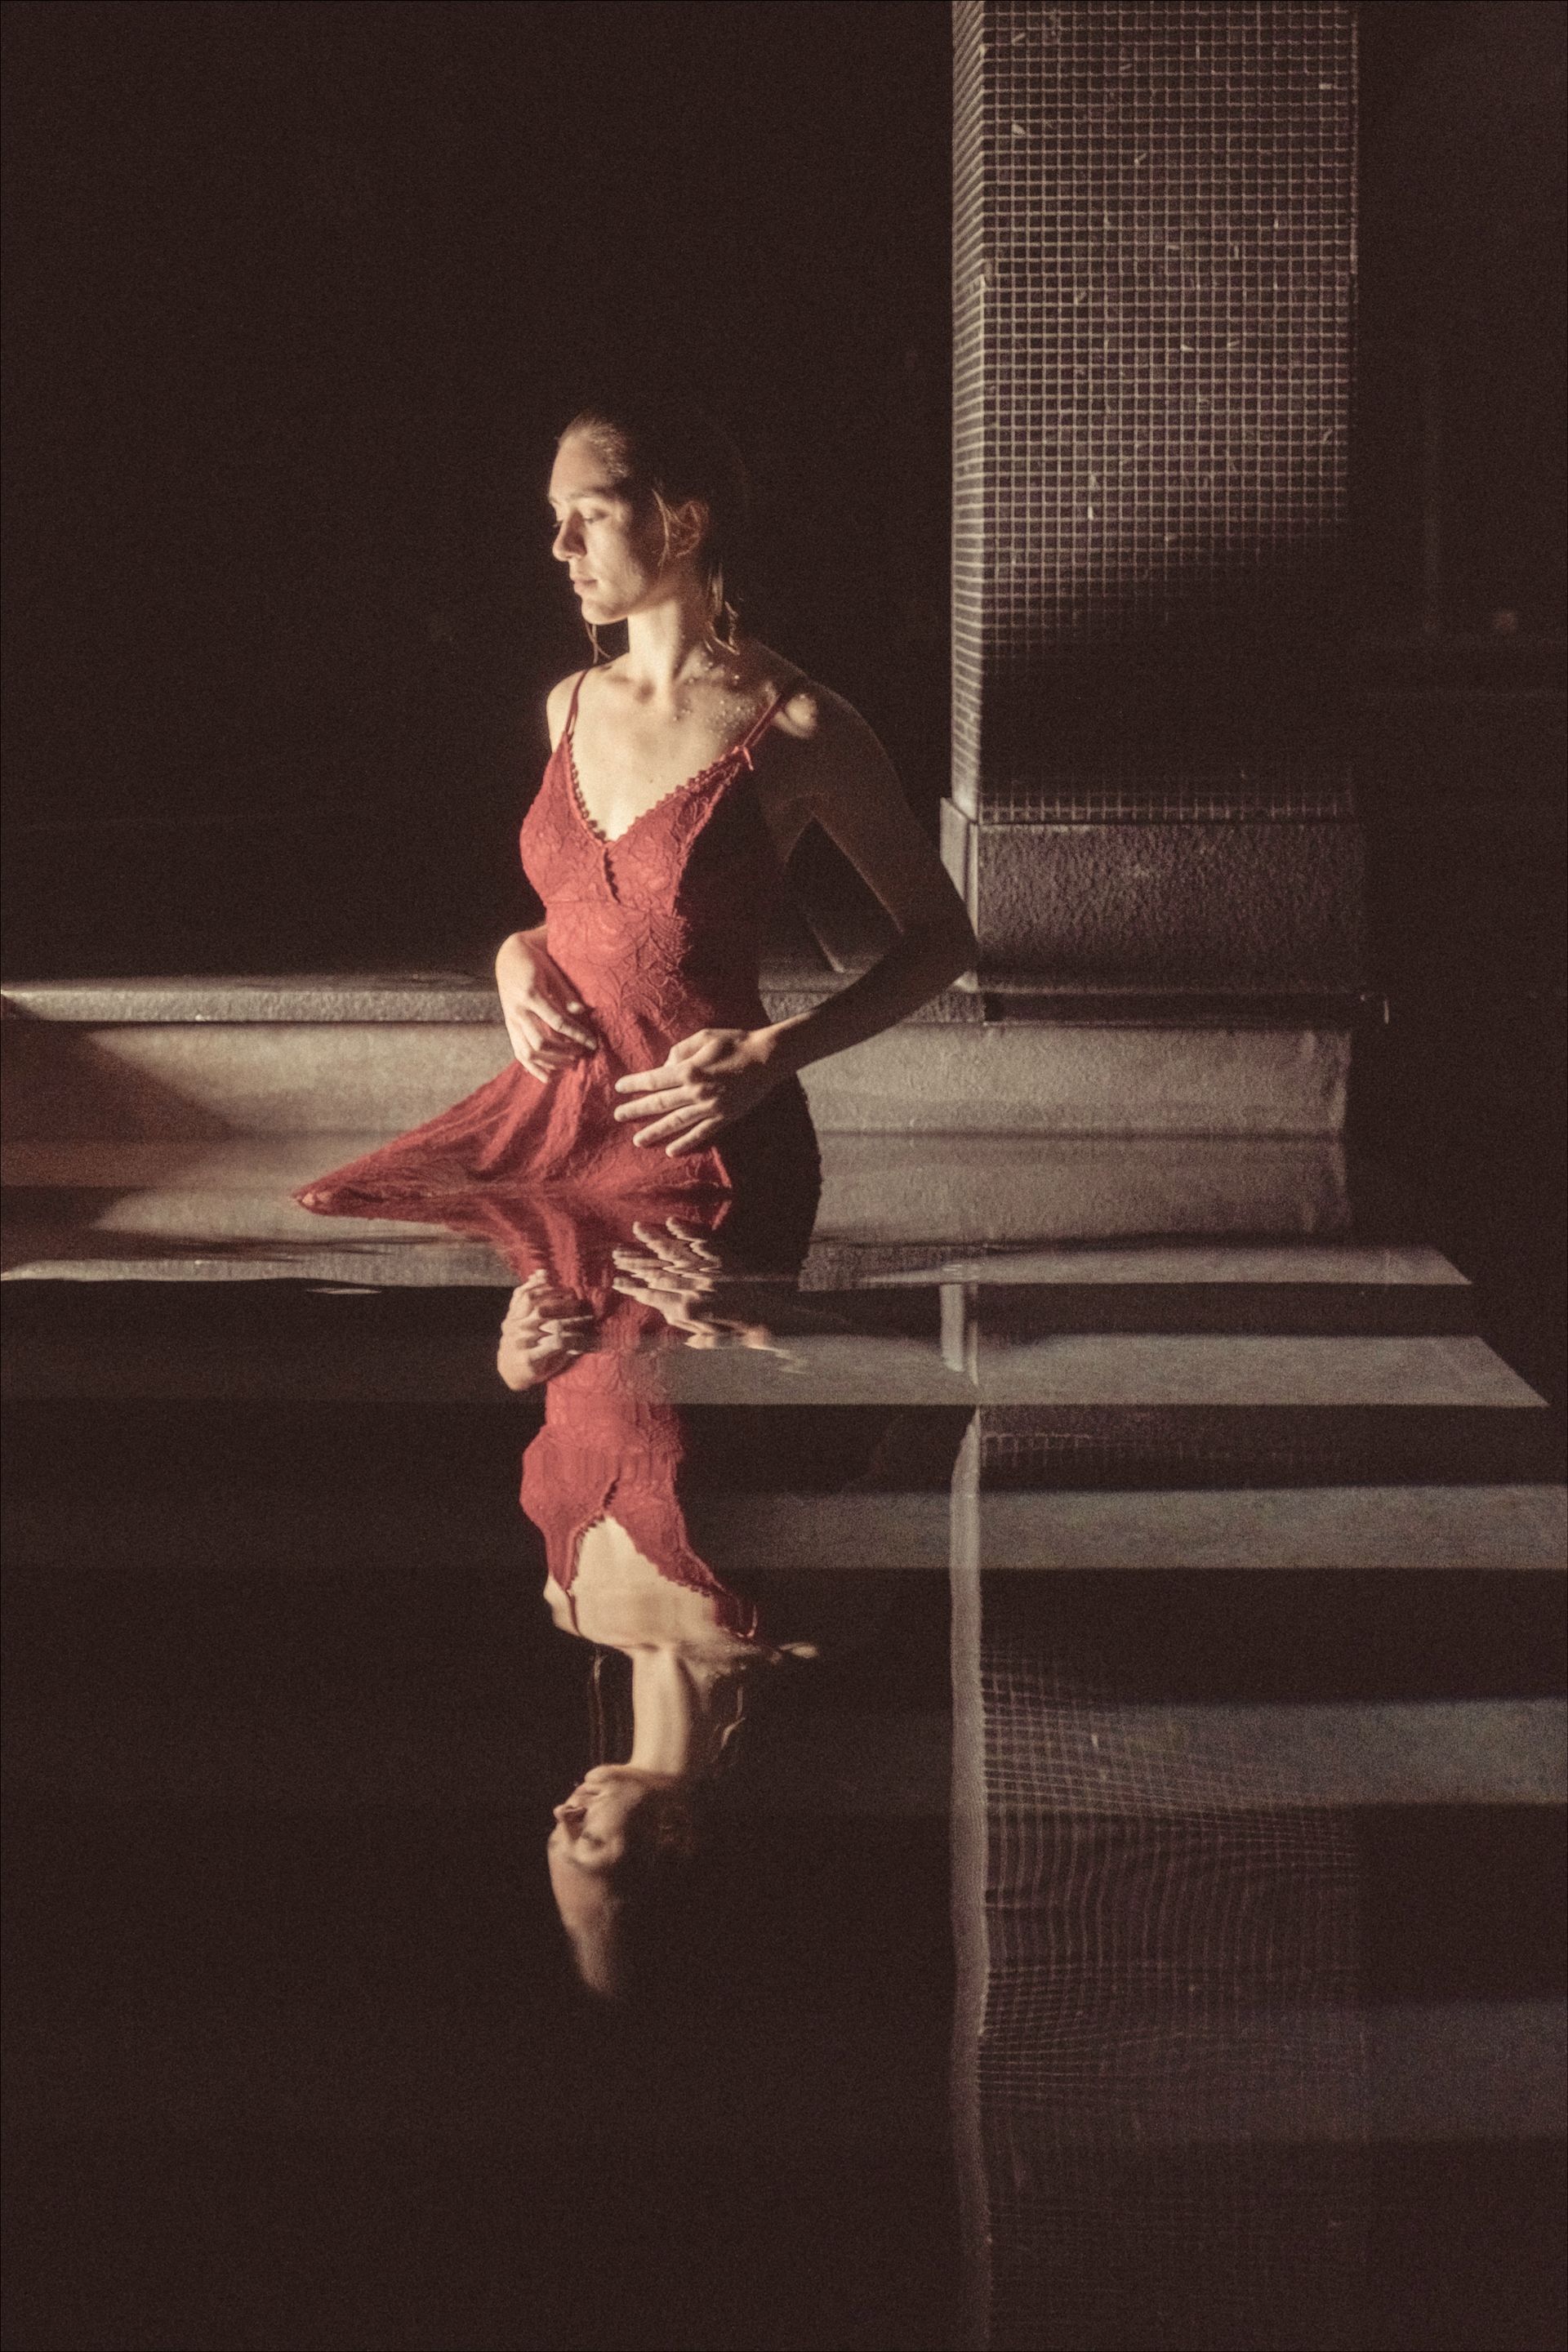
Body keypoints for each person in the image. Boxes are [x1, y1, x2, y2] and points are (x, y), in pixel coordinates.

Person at [292, 389, 976, 1223]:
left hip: (702, 1148)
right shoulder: (570, 704)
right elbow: (612, 916)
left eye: (591, 515)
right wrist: (517, 951)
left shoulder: (800, 723)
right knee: (336, 1206)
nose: (561, 546)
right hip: (553, 1130)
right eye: (557, 517)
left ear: (683, 525)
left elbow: (943, 940)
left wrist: (772, 1053)